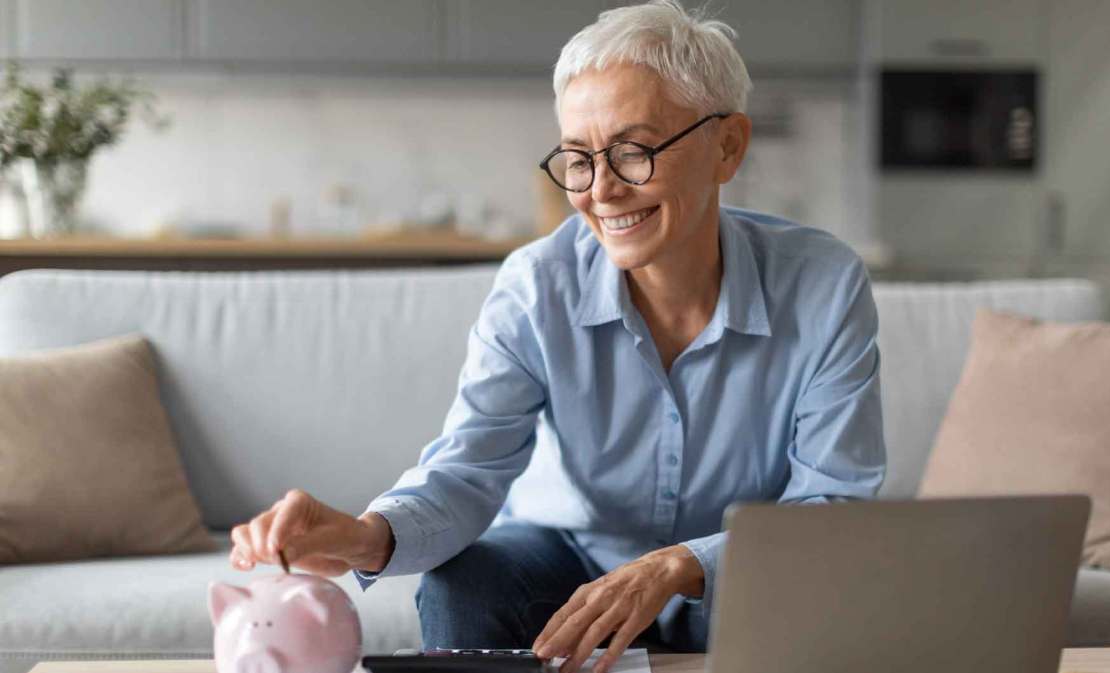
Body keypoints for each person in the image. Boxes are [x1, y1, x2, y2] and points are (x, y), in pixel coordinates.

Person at [229, 2, 886, 672]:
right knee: (466, 581)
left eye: (633, 152)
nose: (601, 190)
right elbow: (466, 470)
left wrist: (685, 562)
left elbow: (832, 506)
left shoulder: (823, 283)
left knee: (849, 594)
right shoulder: (537, 285)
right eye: (578, 159)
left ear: (728, 146)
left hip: (749, 578)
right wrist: (366, 538)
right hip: (569, 566)